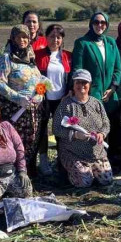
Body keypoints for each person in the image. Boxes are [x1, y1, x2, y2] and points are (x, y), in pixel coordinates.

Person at [71, 11, 121, 166]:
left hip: (110, 95)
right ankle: (93, 161)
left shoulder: (111, 43)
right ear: (91, 23)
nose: (99, 25)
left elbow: (117, 69)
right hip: (91, 97)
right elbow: (77, 70)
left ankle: (110, 161)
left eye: (103, 22)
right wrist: (83, 92)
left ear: (107, 25)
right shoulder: (82, 43)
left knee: (111, 129)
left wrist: (113, 88)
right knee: (93, 130)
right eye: (96, 22)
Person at [0, 24, 46, 178]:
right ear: (13, 38)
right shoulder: (6, 58)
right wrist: (18, 98)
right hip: (14, 110)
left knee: (30, 142)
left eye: (25, 37)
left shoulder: (31, 58)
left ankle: (27, 173)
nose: (22, 40)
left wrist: (40, 95)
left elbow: (40, 81)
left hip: (32, 111)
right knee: (14, 142)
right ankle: (13, 174)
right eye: (19, 37)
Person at [52, 70, 113, 187]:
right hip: (73, 153)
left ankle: (91, 170)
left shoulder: (96, 103)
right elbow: (56, 128)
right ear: (73, 85)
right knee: (84, 182)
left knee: (107, 180)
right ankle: (73, 172)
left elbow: (106, 123)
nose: (81, 85)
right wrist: (74, 135)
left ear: (89, 85)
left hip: (96, 153)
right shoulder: (66, 105)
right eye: (78, 82)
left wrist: (102, 134)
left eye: (84, 82)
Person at [34, 24, 72, 176]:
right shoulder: (38, 55)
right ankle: (43, 161)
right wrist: (40, 94)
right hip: (44, 99)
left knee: (60, 130)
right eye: (51, 37)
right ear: (46, 38)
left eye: (58, 37)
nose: (55, 40)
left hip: (61, 100)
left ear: (62, 39)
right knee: (42, 130)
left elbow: (70, 78)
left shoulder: (68, 56)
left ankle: (61, 160)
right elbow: (36, 79)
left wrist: (68, 94)